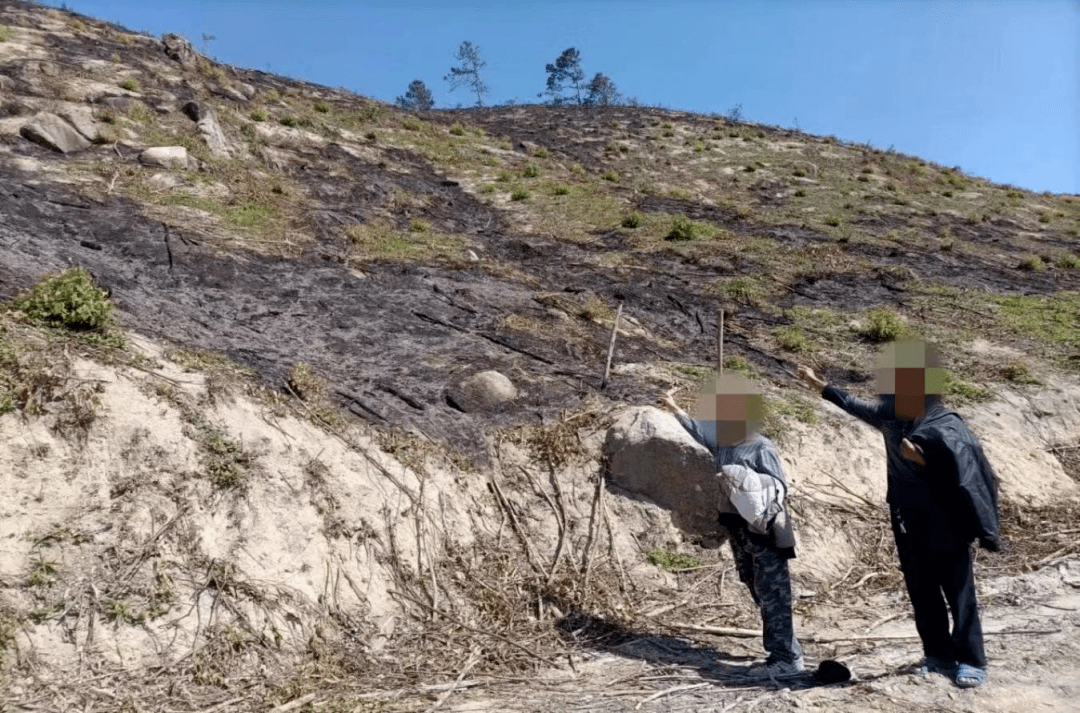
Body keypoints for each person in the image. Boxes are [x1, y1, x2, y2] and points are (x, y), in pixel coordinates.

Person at [797, 340, 1000, 688]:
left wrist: (925, 459)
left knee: (958, 590)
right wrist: (817, 383)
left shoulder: (944, 422)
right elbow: (851, 403)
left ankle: (971, 661)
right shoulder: (888, 417)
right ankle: (937, 655)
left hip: (945, 519)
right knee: (921, 589)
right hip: (907, 516)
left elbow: (964, 470)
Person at [659, 373, 803, 679]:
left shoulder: (761, 446)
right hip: (738, 529)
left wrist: (743, 480)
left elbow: (779, 487)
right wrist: (673, 406)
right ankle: (785, 648)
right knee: (757, 587)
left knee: (774, 594)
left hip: (764, 529)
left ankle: (787, 660)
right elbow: (697, 431)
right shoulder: (723, 439)